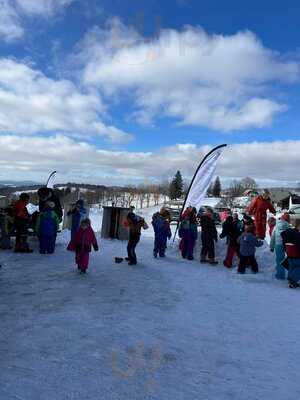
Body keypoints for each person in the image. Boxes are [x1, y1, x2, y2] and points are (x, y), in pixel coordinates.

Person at [270, 213, 291, 280]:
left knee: (279, 259)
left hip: (278, 244)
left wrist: (271, 247)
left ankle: (280, 275)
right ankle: (291, 275)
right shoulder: (288, 226)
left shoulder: (276, 226)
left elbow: (273, 237)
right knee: (290, 259)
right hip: (287, 245)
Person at [281, 218, 300, 288]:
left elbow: (284, 243)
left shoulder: (287, 232)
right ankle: (293, 280)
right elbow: (298, 245)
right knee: (298, 267)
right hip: (296, 254)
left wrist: (286, 250)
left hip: (289, 253)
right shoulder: (297, 234)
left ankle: (290, 279)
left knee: (292, 266)